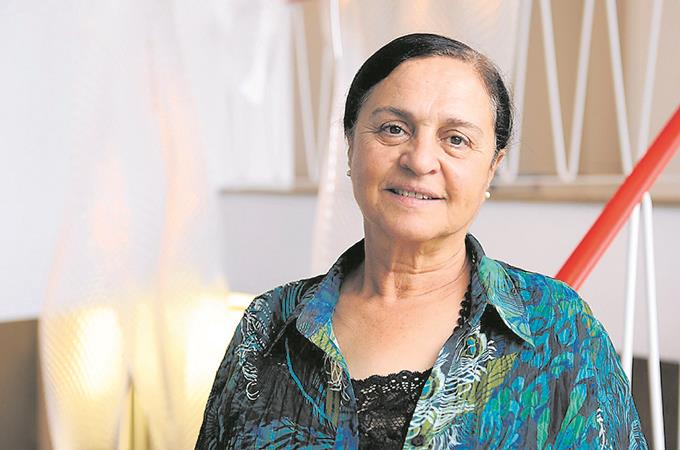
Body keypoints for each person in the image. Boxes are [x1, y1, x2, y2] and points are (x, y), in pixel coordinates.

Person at [196, 33, 647, 449]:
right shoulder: (268, 323)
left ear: (491, 168)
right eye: (394, 129)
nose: (420, 160)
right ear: (351, 145)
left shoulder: (558, 328)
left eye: (456, 139)